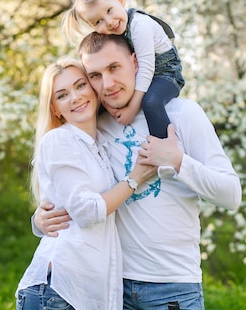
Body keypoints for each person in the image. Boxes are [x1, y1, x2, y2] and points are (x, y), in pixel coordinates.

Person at [34, 33, 242, 310]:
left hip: (172, 286)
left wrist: (178, 161)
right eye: (95, 75)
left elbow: (231, 195)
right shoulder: (96, 125)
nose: (107, 84)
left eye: (114, 68)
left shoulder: (182, 114)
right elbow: (74, 189)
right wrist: (39, 221)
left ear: (135, 62)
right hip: (110, 287)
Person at [15, 57, 158, 310]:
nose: (75, 97)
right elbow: (86, 211)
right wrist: (136, 178)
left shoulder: (100, 143)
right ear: (55, 109)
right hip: (58, 291)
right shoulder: (59, 140)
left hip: (84, 294)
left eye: (80, 85)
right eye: (62, 95)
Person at [61, 0, 185, 139]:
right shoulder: (116, 30)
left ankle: (162, 146)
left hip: (166, 73)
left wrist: (132, 108)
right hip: (143, 74)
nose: (109, 22)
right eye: (98, 22)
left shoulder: (140, 26)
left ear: (120, 0)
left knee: (151, 103)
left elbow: (147, 69)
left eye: (109, 11)